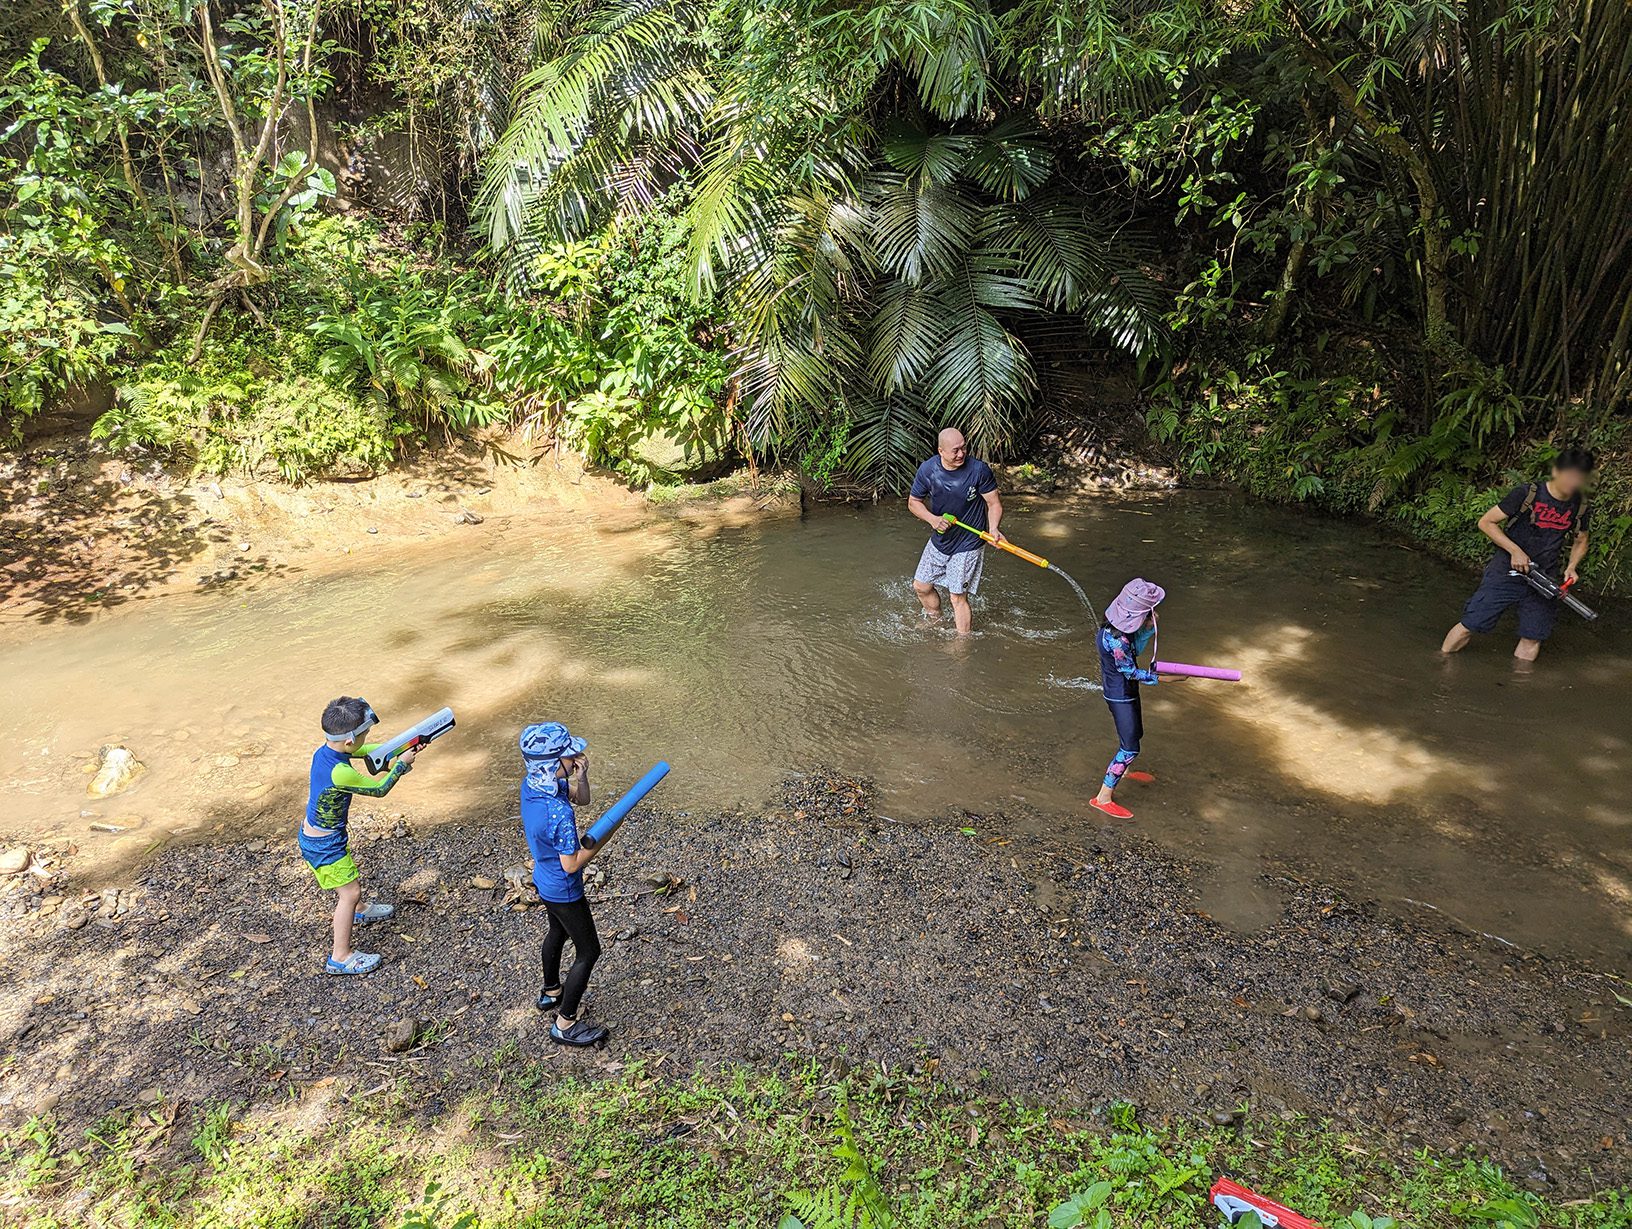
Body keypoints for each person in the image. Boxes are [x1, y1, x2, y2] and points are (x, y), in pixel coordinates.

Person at [300, 697, 419, 975]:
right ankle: (340, 956)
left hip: (320, 835)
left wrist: (400, 748)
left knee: (349, 886)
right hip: (325, 845)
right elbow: (379, 789)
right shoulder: (340, 773)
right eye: (364, 734)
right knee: (349, 893)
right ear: (349, 740)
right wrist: (400, 765)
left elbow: (367, 750)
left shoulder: (326, 751)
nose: (367, 739)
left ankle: (361, 910)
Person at [1441, 448, 1594, 662]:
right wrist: (1515, 551)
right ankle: (1440, 664)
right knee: (1471, 624)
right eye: (1569, 475)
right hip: (1506, 570)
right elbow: (1486, 522)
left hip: (1544, 577)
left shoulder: (1580, 506)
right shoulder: (1527, 493)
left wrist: (1571, 567)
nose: (1572, 481)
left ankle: (1516, 685)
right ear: (1556, 471)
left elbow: (1581, 540)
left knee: (1533, 636)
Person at [519, 721, 610, 1048]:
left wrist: (580, 775)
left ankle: (551, 991)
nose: (577, 757)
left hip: (544, 879)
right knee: (589, 950)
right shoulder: (557, 812)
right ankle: (565, 1023)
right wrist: (602, 838)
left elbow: (582, 799)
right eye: (570, 756)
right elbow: (571, 863)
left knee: (557, 932)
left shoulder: (535, 785)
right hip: (563, 887)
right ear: (551, 763)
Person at [907, 427, 1004, 635]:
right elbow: (913, 503)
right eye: (955, 450)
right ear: (940, 451)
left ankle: (962, 643)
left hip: (969, 541)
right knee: (921, 586)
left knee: (957, 596)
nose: (961, 454)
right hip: (941, 538)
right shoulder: (928, 470)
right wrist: (933, 519)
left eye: (963, 448)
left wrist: (994, 528)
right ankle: (936, 620)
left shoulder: (979, 470)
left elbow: (994, 504)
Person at [1089, 579, 1164, 820]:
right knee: (1130, 747)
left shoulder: (1110, 630)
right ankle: (1102, 798)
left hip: (1123, 691)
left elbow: (1134, 653)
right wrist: (1159, 678)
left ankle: (1125, 772)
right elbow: (1130, 670)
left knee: (1135, 735)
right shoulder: (1117, 641)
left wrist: (1149, 628)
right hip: (1120, 695)